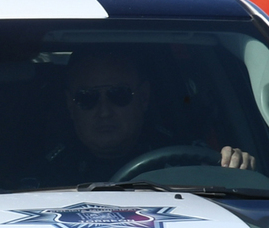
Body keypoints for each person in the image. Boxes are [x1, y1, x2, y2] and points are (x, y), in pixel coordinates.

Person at [36, 49, 255, 186]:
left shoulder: (190, 160)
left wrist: (237, 169)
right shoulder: (43, 175)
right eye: (87, 98)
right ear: (70, 105)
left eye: (119, 95)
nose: (104, 111)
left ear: (143, 98)